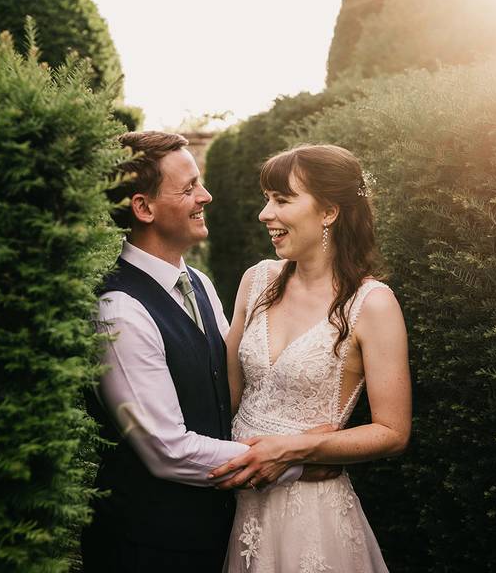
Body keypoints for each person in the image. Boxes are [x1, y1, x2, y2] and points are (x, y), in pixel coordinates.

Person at [81, 131, 312, 573]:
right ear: (143, 208)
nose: (205, 196)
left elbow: (229, 390)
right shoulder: (118, 310)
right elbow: (167, 450)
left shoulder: (200, 284)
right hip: (146, 547)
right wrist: (293, 461)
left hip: (213, 535)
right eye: (188, 188)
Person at [208, 144, 412, 572]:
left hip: (309, 516)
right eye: (267, 198)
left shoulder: (372, 305)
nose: (266, 214)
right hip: (233, 504)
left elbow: (393, 432)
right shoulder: (257, 279)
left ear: (329, 212)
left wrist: (299, 450)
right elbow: (224, 396)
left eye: (282, 200)